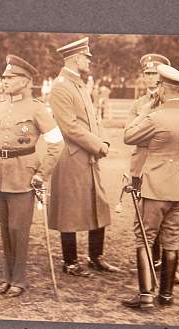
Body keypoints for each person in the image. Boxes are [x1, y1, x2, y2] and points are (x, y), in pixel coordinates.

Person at [0, 55, 64, 297]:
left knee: (19, 229)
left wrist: (41, 173)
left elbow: (57, 144)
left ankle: (19, 280)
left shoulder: (37, 108)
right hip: (0, 175)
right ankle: (7, 278)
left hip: (24, 175)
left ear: (26, 81)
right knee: (5, 229)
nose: (4, 81)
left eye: (10, 77)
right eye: (4, 77)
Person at [122, 64, 179, 309]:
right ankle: (166, 296)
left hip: (155, 188)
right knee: (171, 240)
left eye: (158, 84)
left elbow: (128, 136)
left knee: (145, 237)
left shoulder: (155, 117)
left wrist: (146, 110)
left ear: (163, 88)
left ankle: (146, 295)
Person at [48, 37, 120, 277]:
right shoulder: (61, 86)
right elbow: (69, 127)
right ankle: (69, 261)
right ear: (75, 58)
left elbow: (92, 120)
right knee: (69, 209)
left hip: (89, 155)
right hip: (71, 157)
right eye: (86, 57)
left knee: (98, 203)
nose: (89, 61)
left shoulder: (79, 84)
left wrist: (104, 140)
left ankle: (95, 256)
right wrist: (99, 146)